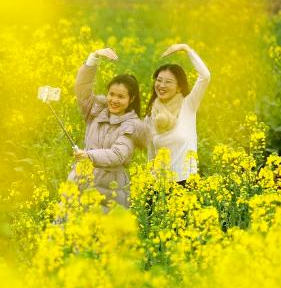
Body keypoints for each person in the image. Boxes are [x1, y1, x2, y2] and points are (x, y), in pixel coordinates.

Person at [69, 48, 145, 209]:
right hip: (80, 184)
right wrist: (93, 59)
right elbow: (82, 89)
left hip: (110, 192)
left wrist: (88, 156)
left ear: (131, 99)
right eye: (111, 94)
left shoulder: (132, 125)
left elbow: (117, 155)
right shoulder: (95, 110)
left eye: (121, 97)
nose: (114, 100)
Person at [143, 44, 210, 184]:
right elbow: (151, 154)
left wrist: (186, 49)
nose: (161, 85)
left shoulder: (189, 105)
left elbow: (205, 76)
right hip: (160, 184)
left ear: (179, 86)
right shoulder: (151, 115)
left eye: (168, 82)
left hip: (186, 181)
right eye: (159, 80)